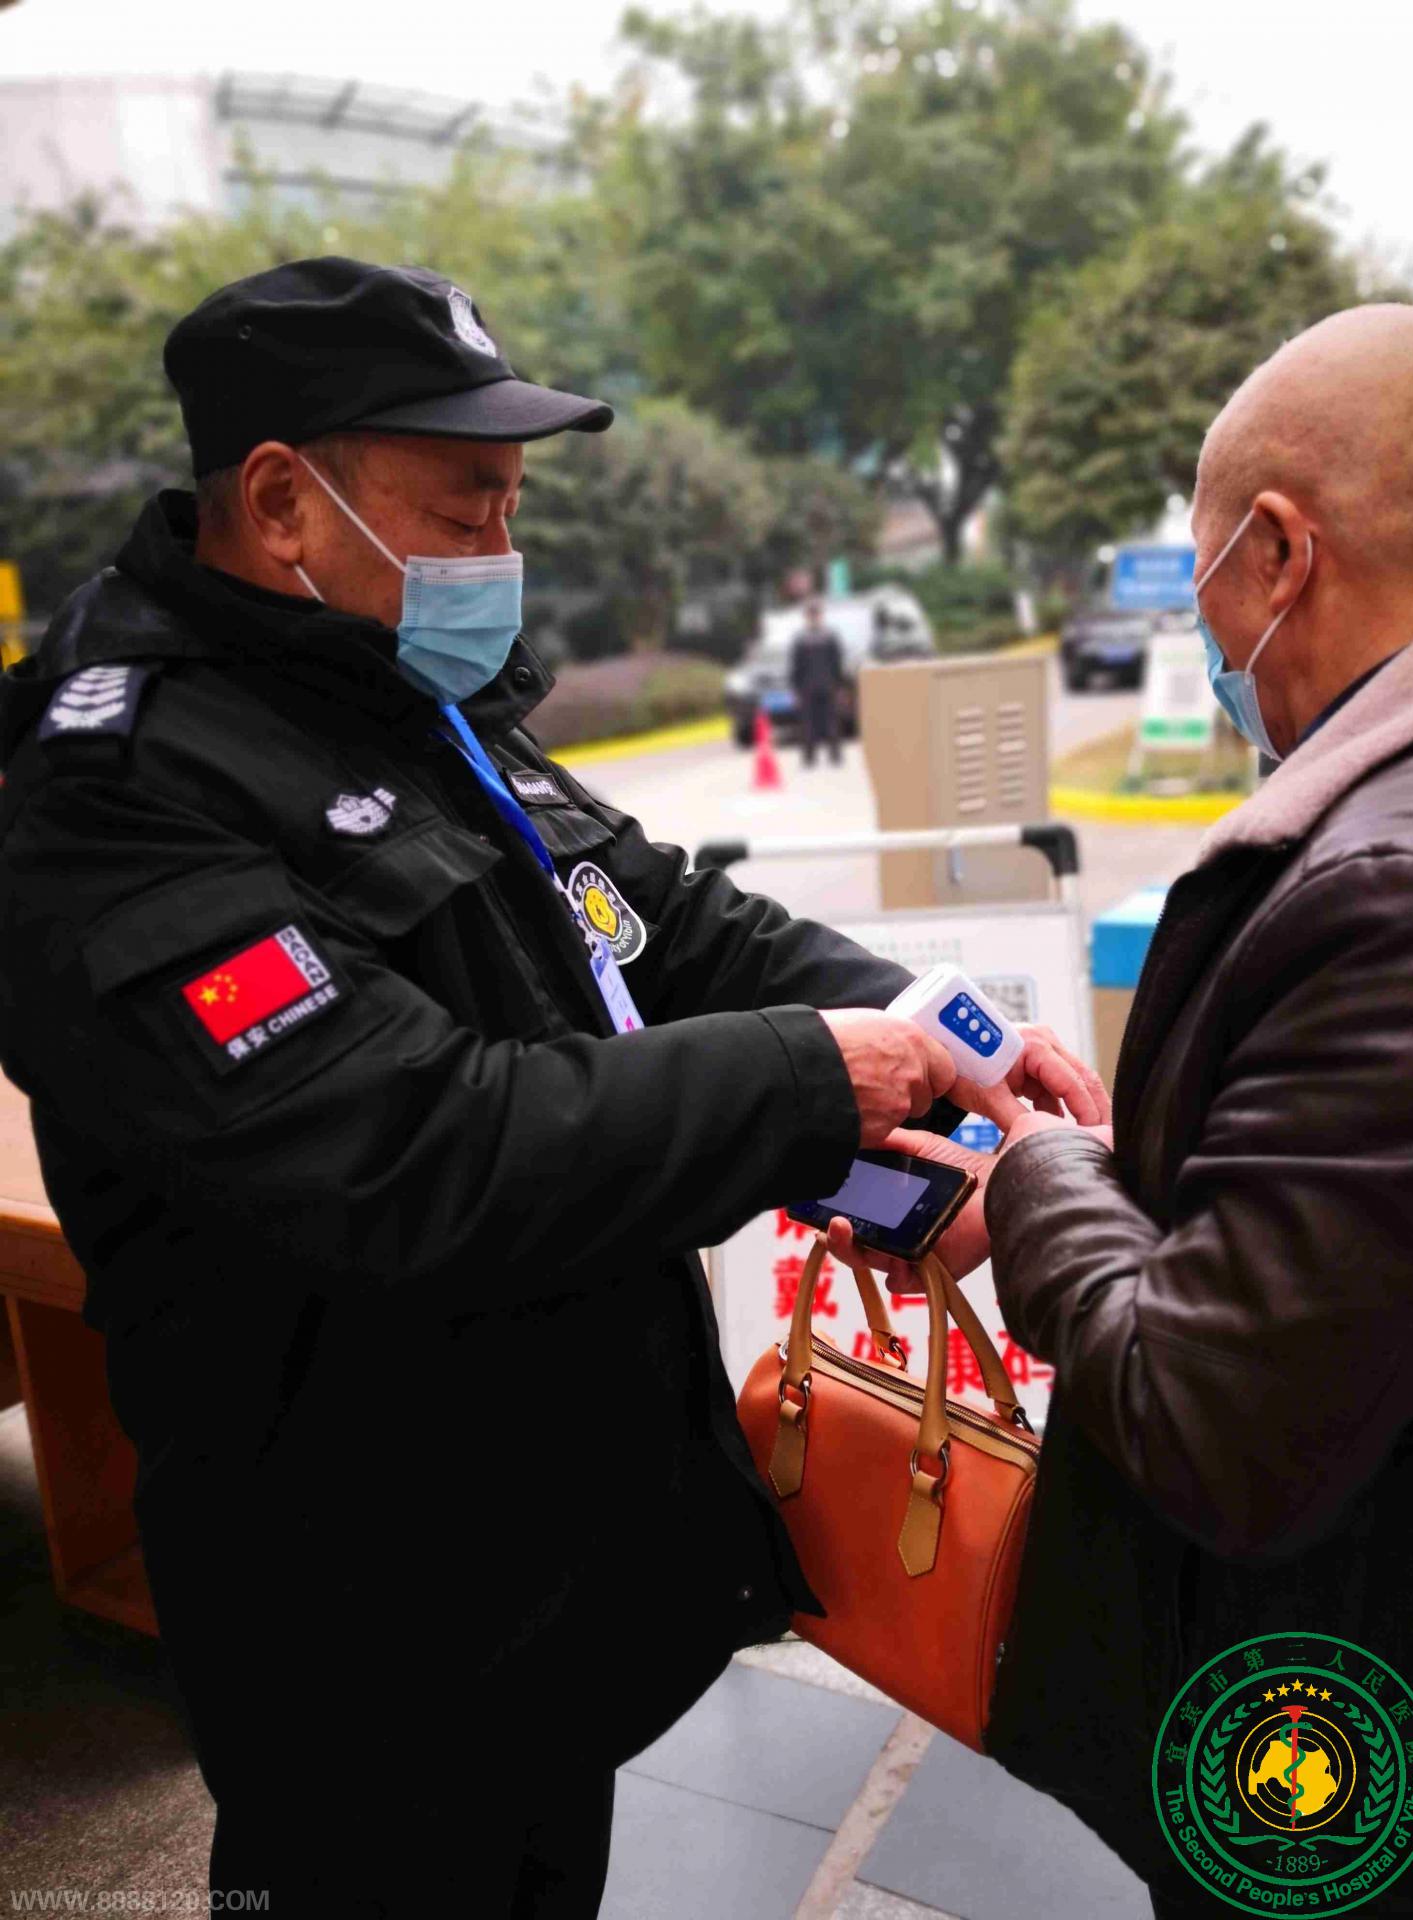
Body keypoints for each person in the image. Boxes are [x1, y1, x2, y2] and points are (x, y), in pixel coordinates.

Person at [0, 258, 1103, 1916]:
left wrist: (936, 1035)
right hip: (356, 1617)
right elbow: (417, 1147)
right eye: (468, 503)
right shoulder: (117, 792)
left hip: (538, 1568)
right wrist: (813, 1083)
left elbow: (660, 918)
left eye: (513, 502)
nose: (501, 550)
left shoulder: (405, 695)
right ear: (285, 503)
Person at [837, 304, 1413, 1916]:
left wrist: (1046, 1173)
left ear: (1280, 551)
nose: (1213, 636)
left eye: (1204, 582)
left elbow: (1211, 1420)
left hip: (1335, 1727)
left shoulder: (1388, 887)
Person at [788, 597, 846, 766]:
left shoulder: (802, 639)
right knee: (823, 721)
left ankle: (815, 757)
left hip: (813, 686)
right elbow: (837, 664)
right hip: (822, 685)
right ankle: (828, 756)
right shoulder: (829, 636)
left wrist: (795, 689)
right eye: (812, 613)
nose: (814, 616)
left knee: (816, 722)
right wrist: (840, 686)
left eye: (815, 613)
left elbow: (836, 664)